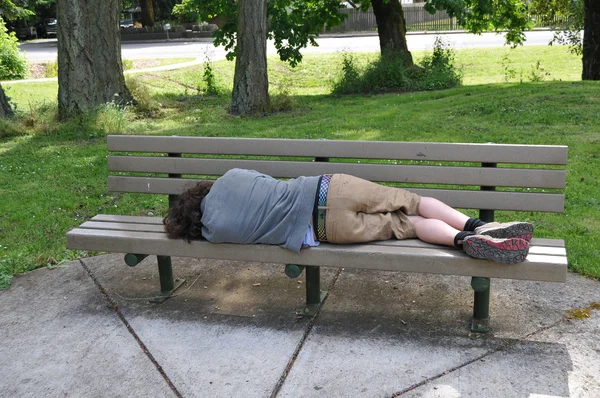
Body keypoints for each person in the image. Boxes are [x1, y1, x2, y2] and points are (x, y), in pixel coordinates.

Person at [163, 168, 533, 264]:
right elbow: (267, 182)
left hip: (327, 229)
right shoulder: (229, 179)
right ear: (200, 191)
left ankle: (465, 242)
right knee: (414, 203)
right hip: (328, 188)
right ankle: (481, 226)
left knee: (410, 226)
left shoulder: (214, 232)